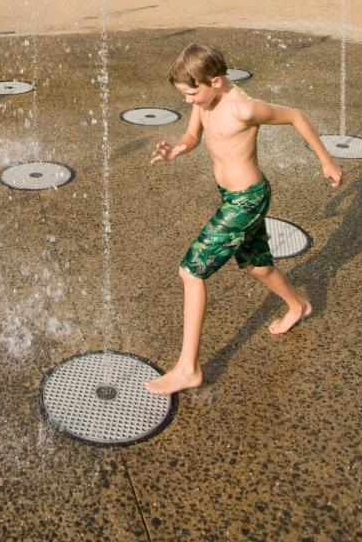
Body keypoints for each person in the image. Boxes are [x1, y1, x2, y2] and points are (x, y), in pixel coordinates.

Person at [145, 42, 343, 396]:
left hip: (247, 200)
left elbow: (296, 115)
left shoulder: (243, 108)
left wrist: (326, 160)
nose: (188, 101)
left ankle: (188, 368)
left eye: (192, 93)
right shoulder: (205, 100)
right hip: (232, 197)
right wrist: (177, 149)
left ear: (216, 80)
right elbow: (193, 135)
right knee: (256, 265)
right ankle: (298, 305)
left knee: (191, 271)